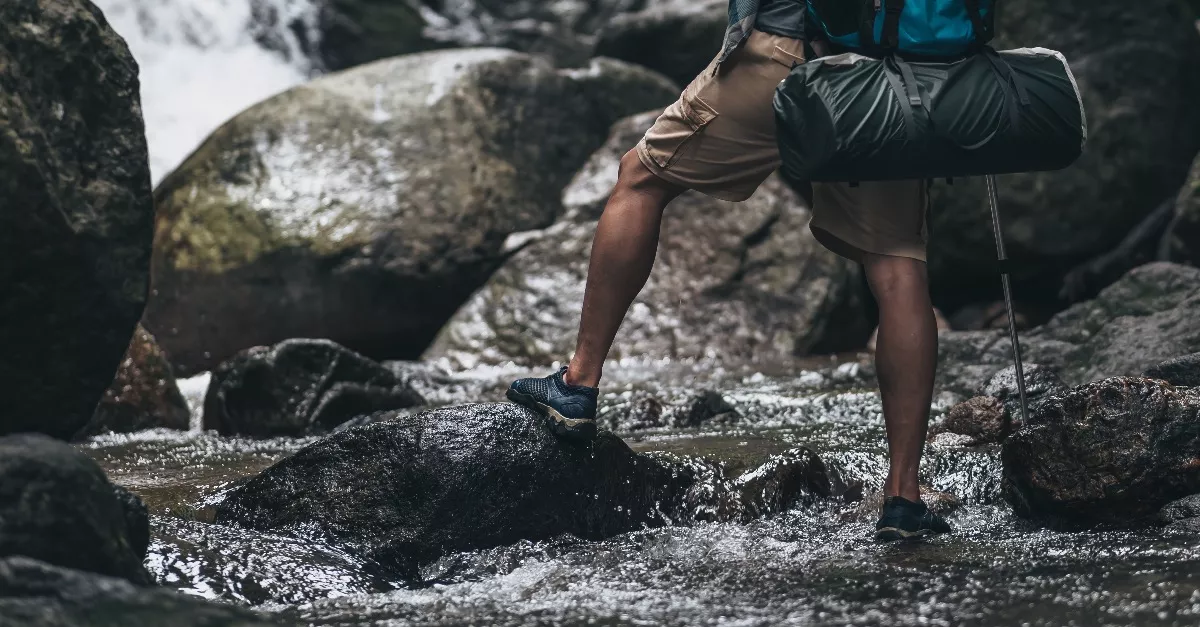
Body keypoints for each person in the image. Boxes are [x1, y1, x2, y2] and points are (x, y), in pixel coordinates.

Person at [505, 0, 951, 542]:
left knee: (641, 177)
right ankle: (903, 496)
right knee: (898, 261)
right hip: (888, 82)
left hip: (783, 60)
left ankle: (578, 383)